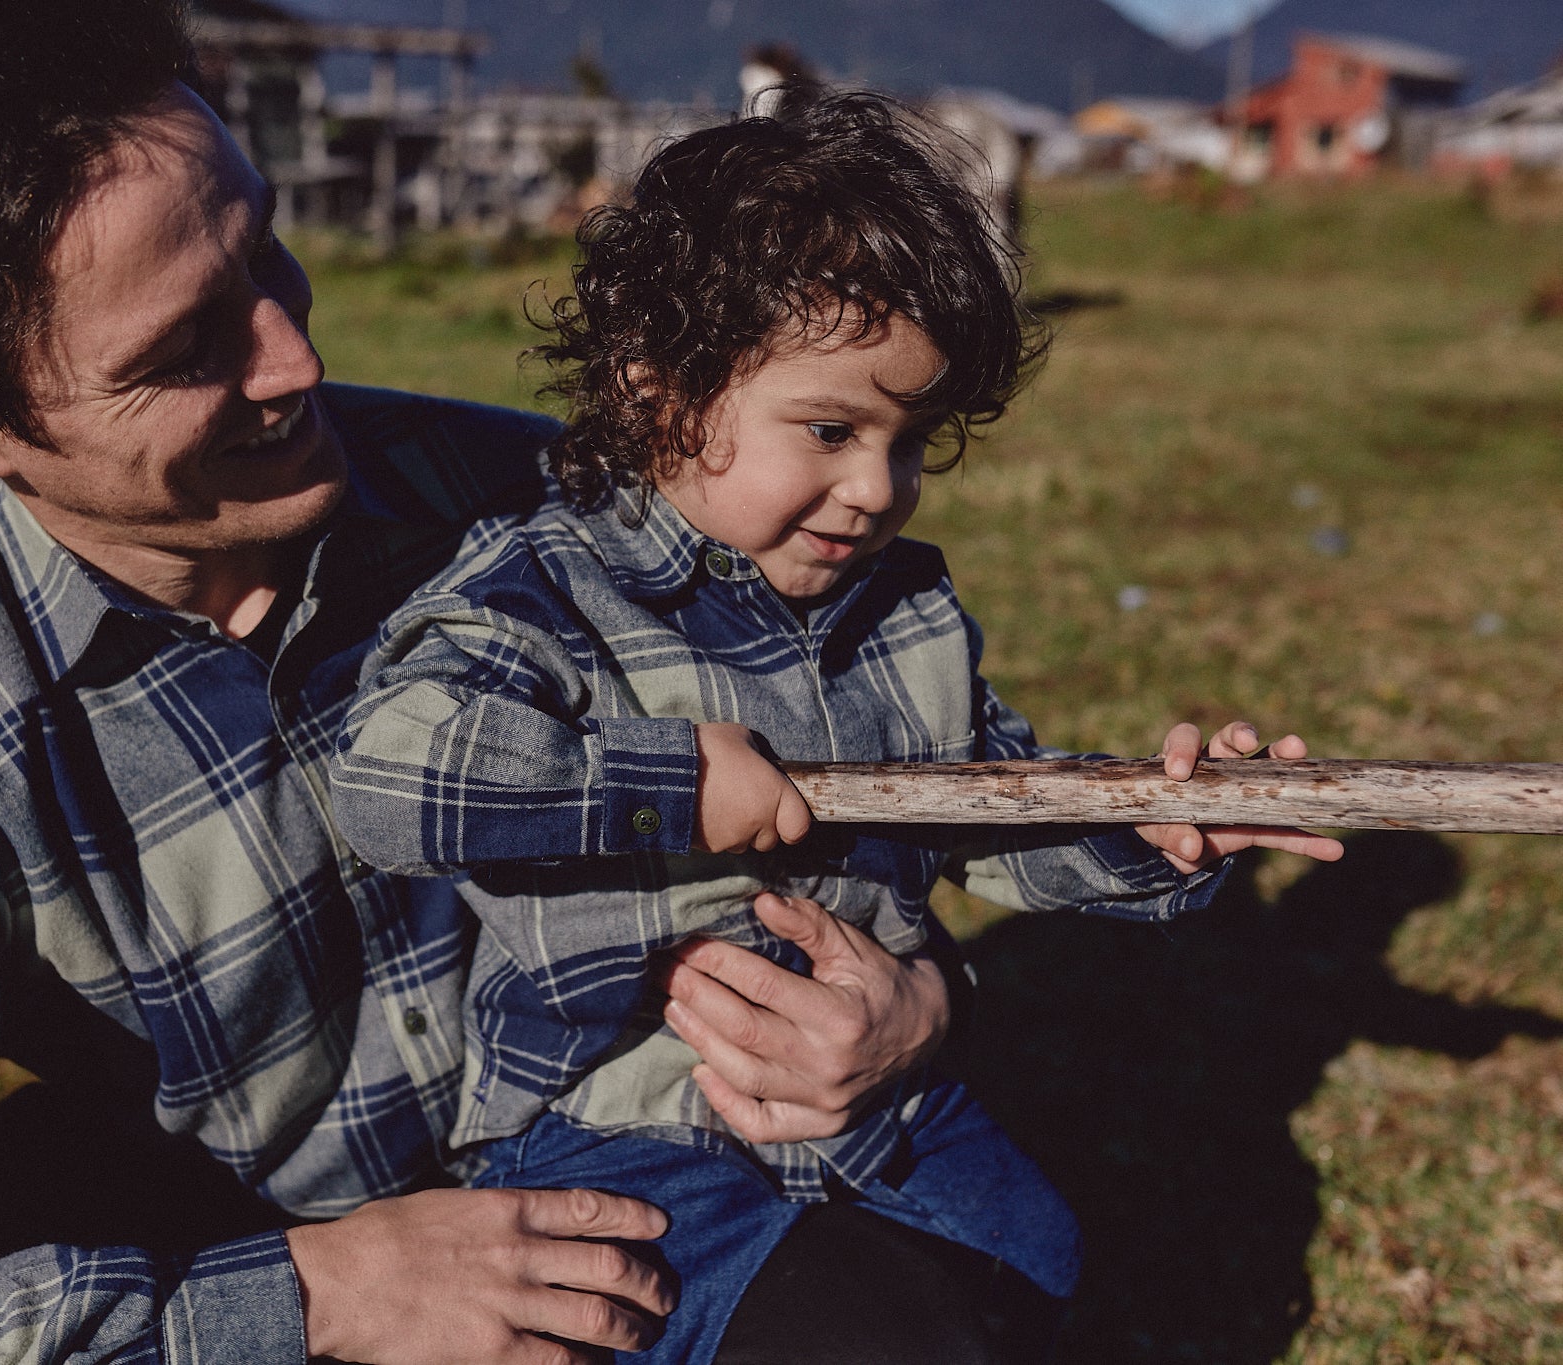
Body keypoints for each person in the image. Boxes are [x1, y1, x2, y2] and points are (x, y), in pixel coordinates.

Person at [0, 3, 976, 1362]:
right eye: (183, 349)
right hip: (287, 1281)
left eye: (265, 245)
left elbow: (863, 766)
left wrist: (917, 1003)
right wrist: (319, 1294)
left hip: (654, 1192)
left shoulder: (527, 505)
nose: (296, 359)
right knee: (18, 1197)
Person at [329, 93, 1345, 1364]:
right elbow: (389, 778)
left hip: (870, 1090)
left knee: (1035, 1263)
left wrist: (1148, 832)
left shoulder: (896, 615)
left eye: (909, 442)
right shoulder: (537, 595)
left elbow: (992, 807)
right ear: (660, 390)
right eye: (830, 430)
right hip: (628, 1126)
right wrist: (667, 780)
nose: (875, 489)